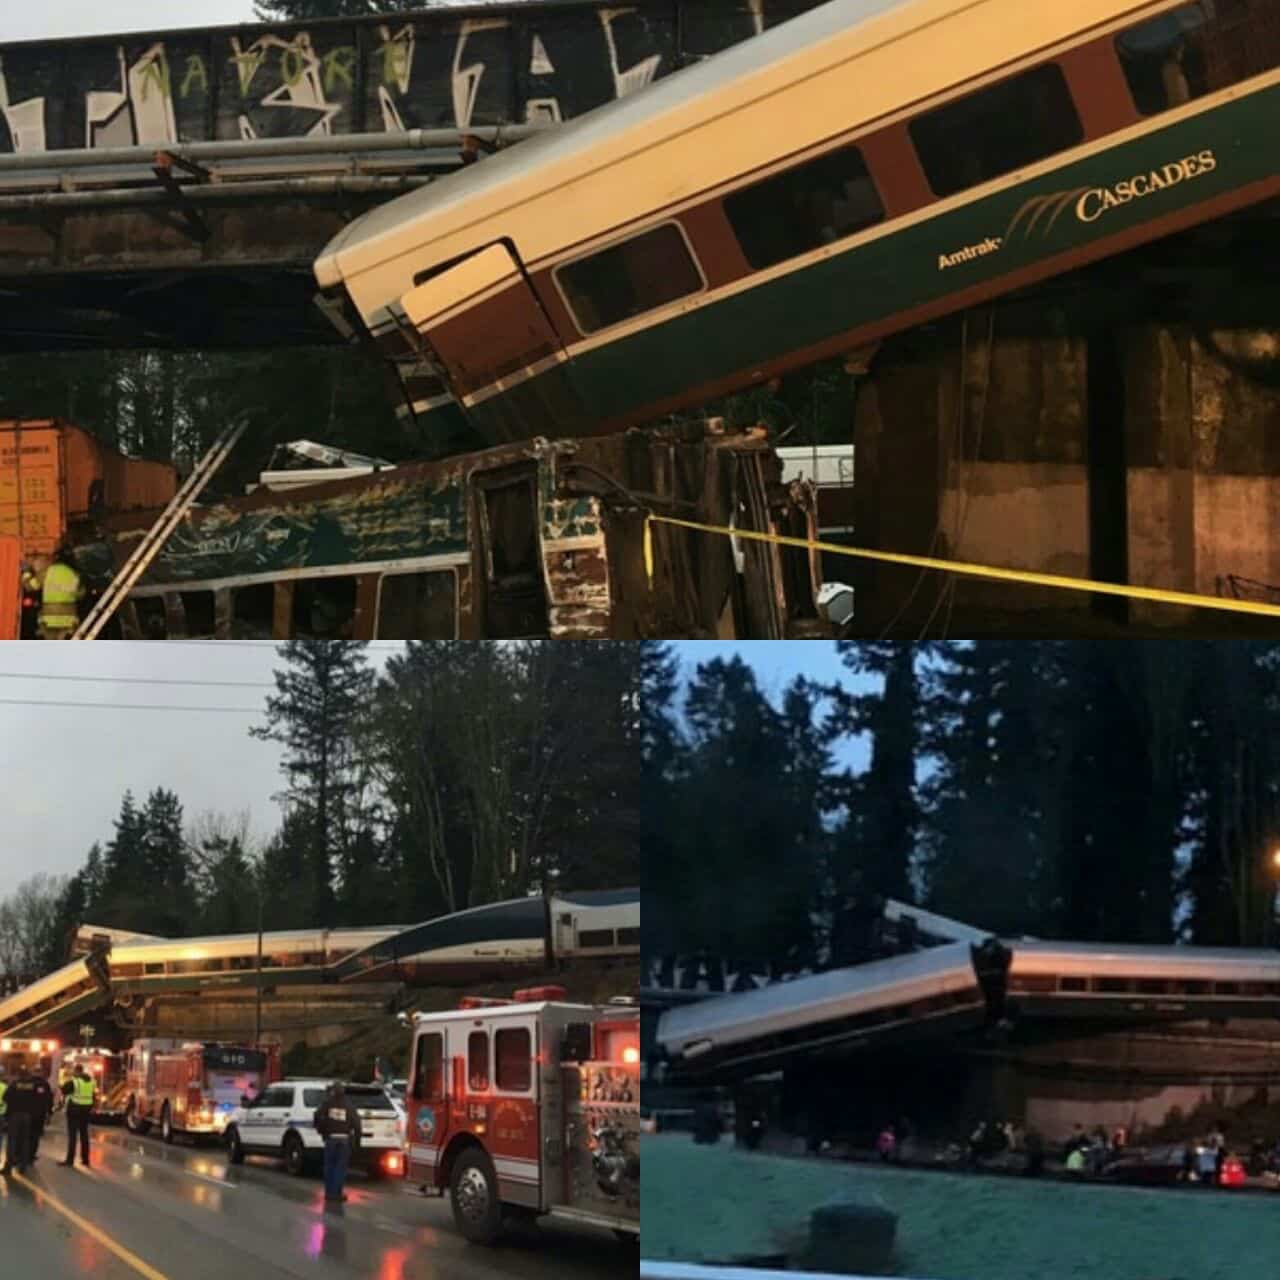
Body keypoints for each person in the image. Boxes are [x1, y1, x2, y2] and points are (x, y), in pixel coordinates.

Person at [313, 1082, 361, 1205]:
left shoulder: (327, 1104)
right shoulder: (349, 1106)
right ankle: (337, 1193)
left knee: (329, 1166)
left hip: (331, 1139)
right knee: (340, 1168)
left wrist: (320, 1130)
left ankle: (329, 1193)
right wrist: (357, 1142)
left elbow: (317, 1116)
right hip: (344, 1140)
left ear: (333, 1091)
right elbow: (357, 1125)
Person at [37, 546, 84, 639]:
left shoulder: (47, 572)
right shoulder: (74, 574)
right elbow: (81, 594)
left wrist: (26, 573)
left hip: (49, 621)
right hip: (68, 621)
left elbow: (31, 586)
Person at [2, 1064, 39, 1175]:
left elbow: (5, 1097)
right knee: (24, 1141)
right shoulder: (33, 1086)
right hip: (27, 1116)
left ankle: (8, 1166)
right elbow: (37, 1100)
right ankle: (23, 1166)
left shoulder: (14, 1084)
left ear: (18, 1075)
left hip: (15, 1116)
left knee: (12, 1140)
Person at [60, 1064, 96, 1167]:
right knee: (84, 1136)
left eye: (74, 1071)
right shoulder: (91, 1082)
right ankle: (85, 1159)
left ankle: (70, 1160)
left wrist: (65, 1080)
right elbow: (93, 1096)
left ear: (76, 1071)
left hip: (74, 1111)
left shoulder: (74, 1082)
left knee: (72, 1136)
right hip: (86, 1111)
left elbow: (63, 1090)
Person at [29, 1067, 53, 1163]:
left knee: (27, 1135)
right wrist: (49, 1113)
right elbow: (49, 1099)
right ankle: (31, 1155)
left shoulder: (28, 1082)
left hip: (28, 1113)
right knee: (35, 1135)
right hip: (40, 1114)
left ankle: (24, 1155)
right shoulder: (45, 1084)